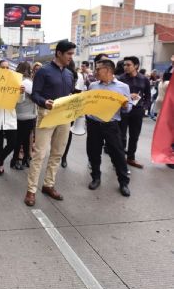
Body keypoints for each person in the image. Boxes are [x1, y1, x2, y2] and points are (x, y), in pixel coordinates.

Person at [24, 40, 76, 207]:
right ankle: (31, 190)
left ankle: (48, 185)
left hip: (64, 116)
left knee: (57, 153)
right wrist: (44, 102)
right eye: (69, 54)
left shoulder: (69, 74)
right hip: (46, 114)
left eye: (72, 54)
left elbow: (70, 94)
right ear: (59, 53)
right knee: (39, 154)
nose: (71, 57)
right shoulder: (44, 71)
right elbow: (35, 95)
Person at [86, 59, 131, 196]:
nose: (95, 72)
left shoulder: (123, 87)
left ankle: (123, 183)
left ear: (108, 70)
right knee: (93, 153)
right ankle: (96, 177)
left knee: (118, 154)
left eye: (98, 69)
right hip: (94, 124)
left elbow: (127, 109)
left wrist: (125, 105)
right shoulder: (93, 85)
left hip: (111, 125)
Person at [118, 56, 151, 169]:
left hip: (137, 110)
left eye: (128, 65)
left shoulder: (144, 79)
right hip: (123, 110)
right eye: (124, 65)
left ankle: (131, 158)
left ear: (136, 66)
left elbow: (148, 95)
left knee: (134, 135)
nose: (125, 67)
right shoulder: (120, 78)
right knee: (121, 136)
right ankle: (120, 159)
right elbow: (115, 95)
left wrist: (144, 107)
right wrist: (127, 97)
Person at [0, 60, 19, 176]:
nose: (5, 70)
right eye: (2, 67)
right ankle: (1, 165)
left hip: (10, 118)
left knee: (12, 143)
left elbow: (19, 101)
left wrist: (20, 93)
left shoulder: (14, 83)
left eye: (7, 68)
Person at [12, 62, 36, 169]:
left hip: (19, 114)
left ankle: (23, 159)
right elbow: (36, 94)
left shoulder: (17, 80)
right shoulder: (26, 82)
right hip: (27, 114)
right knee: (23, 140)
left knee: (22, 139)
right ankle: (17, 160)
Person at [60, 60, 81, 168]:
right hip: (58, 106)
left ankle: (64, 157)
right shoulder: (56, 72)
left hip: (70, 107)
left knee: (68, 133)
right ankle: (61, 155)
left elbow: (78, 91)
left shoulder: (75, 75)